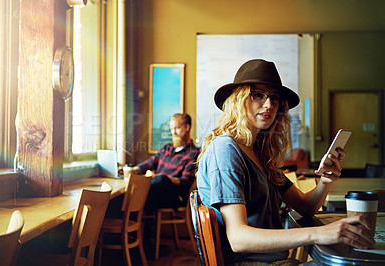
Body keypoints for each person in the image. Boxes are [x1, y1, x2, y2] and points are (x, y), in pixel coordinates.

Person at [196, 59, 375, 265]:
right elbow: (238, 238)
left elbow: (305, 207)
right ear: (238, 99)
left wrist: (326, 180)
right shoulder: (225, 149)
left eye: (275, 98)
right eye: (258, 94)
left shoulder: (259, 153)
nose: (269, 104)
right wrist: (319, 233)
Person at [129, 113, 199, 214]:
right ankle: (136, 219)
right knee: (136, 185)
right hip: (156, 190)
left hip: (176, 196)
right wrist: (133, 169)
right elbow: (150, 162)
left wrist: (162, 178)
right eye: (171, 129)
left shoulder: (193, 153)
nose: (173, 132)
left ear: (187, 127)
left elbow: (185, 182)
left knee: (160, 180)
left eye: (177, 128)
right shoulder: (167, 148)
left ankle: (137, 218)